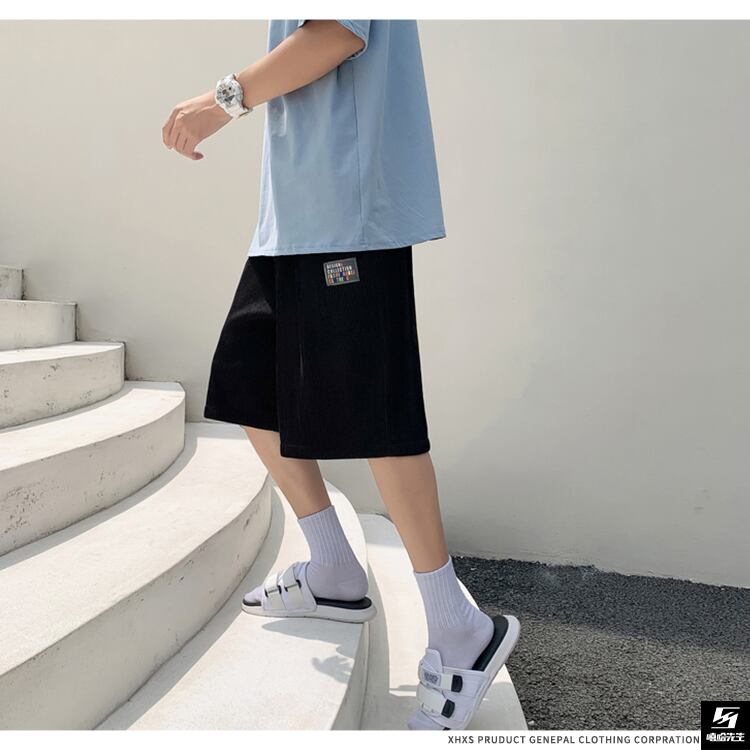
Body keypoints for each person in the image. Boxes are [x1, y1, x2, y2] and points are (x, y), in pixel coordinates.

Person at [162, 19, 519, 731]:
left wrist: (223, 100)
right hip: (295, 221)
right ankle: (331, 567)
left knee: (378, 414)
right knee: (248, 383)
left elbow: (337, 32)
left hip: (345, 216)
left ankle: (459, 628)